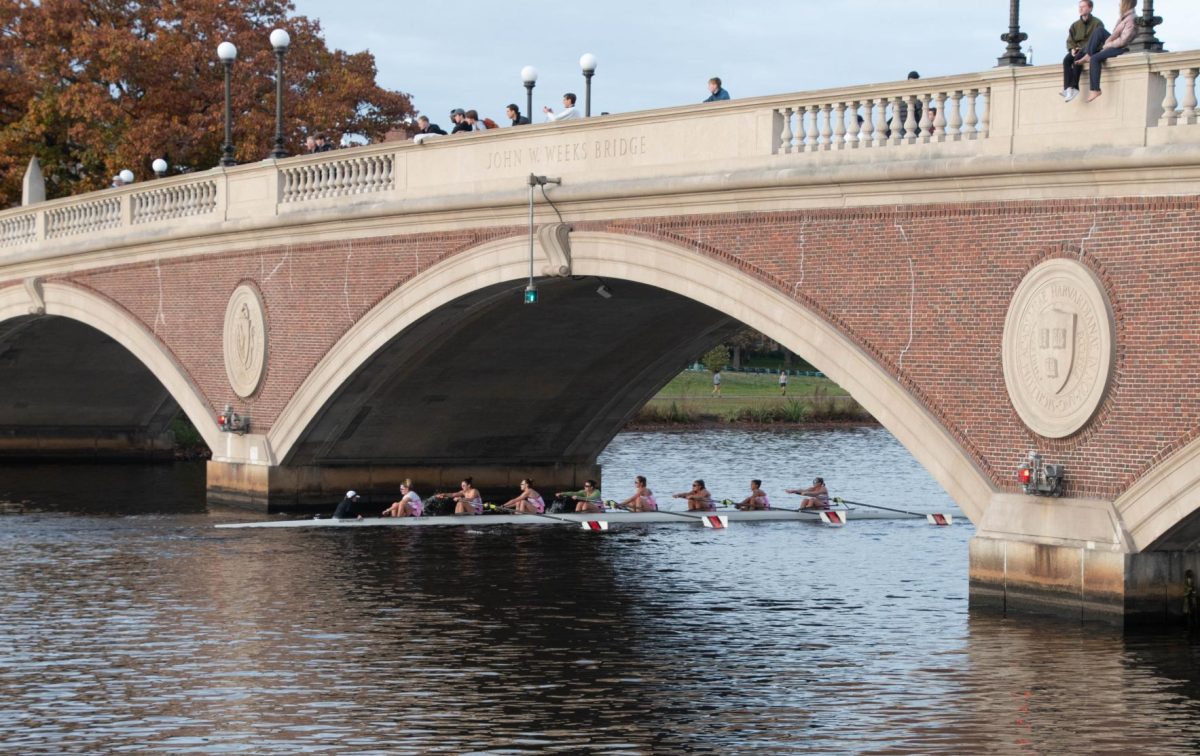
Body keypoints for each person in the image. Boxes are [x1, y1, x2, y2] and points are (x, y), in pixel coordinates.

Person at [1078, 0, 1135, 103]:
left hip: (1122, 48)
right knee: (1099, 30)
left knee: (1095, 59)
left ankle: (1095, 90)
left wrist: (1108, 44)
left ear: (1126, 4)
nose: (1119, 4)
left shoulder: (1131, 19)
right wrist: (1109, 43)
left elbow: (1123, 41)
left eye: (1121, 2)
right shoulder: (1124, 17)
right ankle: (1088, 54)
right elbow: (1116, 35)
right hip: (1115, 44)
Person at [1062, 1, 1105, 102]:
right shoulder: (1075, 25)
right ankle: (1068, 88)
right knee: (1067, 60)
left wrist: (1088, 50)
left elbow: (1100, 39)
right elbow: (1070, 40)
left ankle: (1074, 87)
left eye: (1083, 7)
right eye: (1079, 7)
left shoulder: (1097, 23)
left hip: (1090, 50)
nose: (1080, 9)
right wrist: (1072, 49)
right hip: (1077, 49)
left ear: (1090, 8)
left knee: (1078, 59)